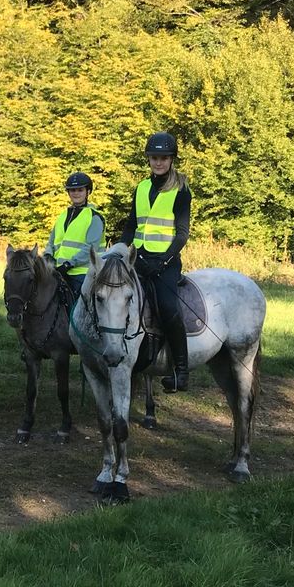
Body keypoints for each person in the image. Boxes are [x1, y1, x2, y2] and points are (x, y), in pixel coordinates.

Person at [118, 132, 192, 392]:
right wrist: (119, 248)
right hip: (138, 260)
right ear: (148, 159)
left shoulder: (181, 189)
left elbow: (182, 234)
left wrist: (162, 262)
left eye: (163, 158)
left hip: (165, 262)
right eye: (154, 158)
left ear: (171, 160)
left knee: (168, 307)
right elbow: (131, 225)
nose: (158, 162)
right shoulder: (140, 187)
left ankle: (181, 371)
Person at [44, 172, 106, 295]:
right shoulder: (62, 216)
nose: (76, 193)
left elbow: (90, 248)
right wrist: (48, 255)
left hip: (83, 273)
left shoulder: (95, 217)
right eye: (72, 190)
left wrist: (69, 264)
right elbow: (51, 242)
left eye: (80, 190)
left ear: (88, 192)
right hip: (58, 271)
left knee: (78, 310)